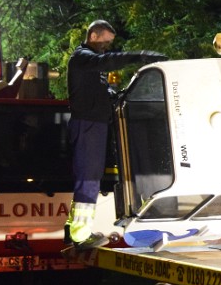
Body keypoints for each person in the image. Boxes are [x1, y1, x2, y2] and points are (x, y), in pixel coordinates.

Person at [65, 19, 166, 248]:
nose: (107, 47)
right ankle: (80, 235)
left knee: (90, 178)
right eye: (106, 42)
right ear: (94, 36)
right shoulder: (82, 57)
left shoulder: (89, 63)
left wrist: (111, 93)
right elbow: (107, 61)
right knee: (88, 179)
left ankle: (79, 231)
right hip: (88, 125)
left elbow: (97, 87)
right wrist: (138, 56)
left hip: (95, 125)